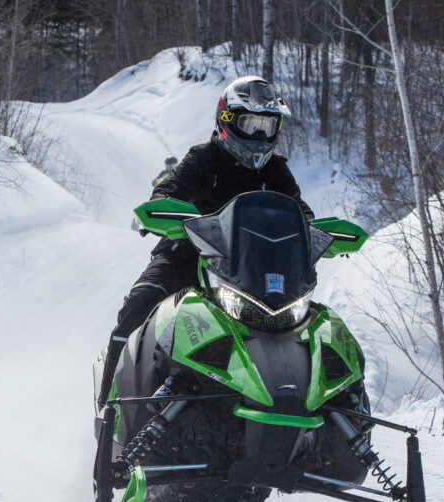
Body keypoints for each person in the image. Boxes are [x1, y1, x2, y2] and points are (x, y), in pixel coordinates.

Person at [98, 75, 314, 406]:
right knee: (139, 305)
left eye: (267, 126)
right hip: (187, 258)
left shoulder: (277, 172)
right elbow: (167, 190)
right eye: (251, 123)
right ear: (227, 121)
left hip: (253, 273)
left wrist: (317, 233)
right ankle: (111, 409)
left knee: (316, 329)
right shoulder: (203, 158)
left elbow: (300, 212)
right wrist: (165, 209)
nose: (259, 134)